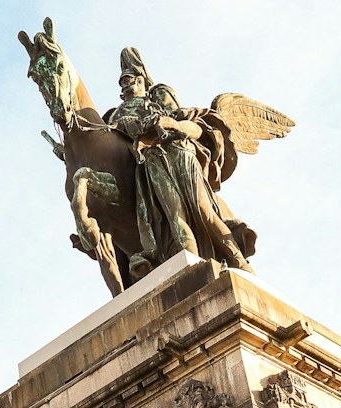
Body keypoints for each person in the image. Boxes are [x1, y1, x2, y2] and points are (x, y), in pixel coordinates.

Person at [103, 48, 256, 279]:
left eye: (129, 80)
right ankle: (192, 267)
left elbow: (191, 128)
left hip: (179, 154)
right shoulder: (116, 116)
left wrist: (168, 124)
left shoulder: (158, 100)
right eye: (122, 82)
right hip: (153, 163)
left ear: (142, 80)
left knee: (204, 211)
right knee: (176, 216)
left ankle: (240, 263)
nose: (124, 86)